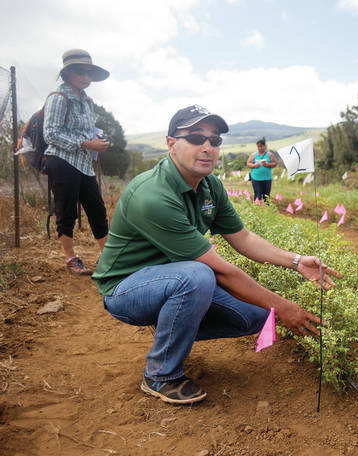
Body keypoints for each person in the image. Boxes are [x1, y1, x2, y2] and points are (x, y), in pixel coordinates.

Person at [92, 105, 340, 405]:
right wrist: (285, 306)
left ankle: (170, 323)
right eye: (196, 137)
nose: (208, 146)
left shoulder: (210, 185)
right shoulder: (152, 196)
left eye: (215, 139)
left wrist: (297, 261)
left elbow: (243, 238)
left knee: (258, 315)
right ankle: (159, 375)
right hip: (126, 288)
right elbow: (220, 271)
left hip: (172, 276)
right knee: (200, 276)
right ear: (171, 144)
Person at [43, 49, 111, 275]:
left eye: (89, 73)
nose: (86, 77)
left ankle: (106, 256)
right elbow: (51, 133)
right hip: (62, 161)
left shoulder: (87, 101)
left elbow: (85, 130)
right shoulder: (58, 98)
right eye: (81, 72)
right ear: (68, 73)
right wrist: (86, 144)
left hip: (83, 163)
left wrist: (96, 140)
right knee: (67, 209)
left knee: (96, 208)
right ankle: (71, 258)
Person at [246, 137, 276, 202]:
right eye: (258, 146)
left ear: (264, 146)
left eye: (261, 146)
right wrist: (254, 165)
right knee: (258, 195)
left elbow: (274, 164)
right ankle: (257, 208)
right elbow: (248, 163)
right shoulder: (253, 155)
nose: (260, 148)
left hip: (267, 178)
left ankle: (267, 209)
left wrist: (268, 164)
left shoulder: (270, 154)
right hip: (256, 178)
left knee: (266, 196)